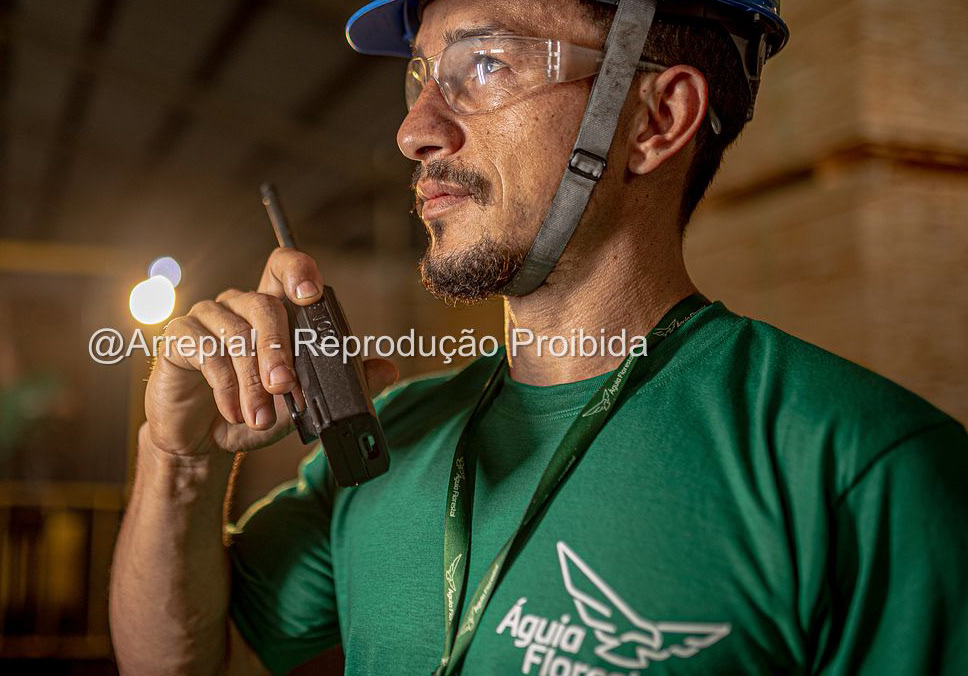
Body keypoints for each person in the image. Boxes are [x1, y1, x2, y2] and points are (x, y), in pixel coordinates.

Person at [109, 0, 968, 673]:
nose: (414, 131)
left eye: (487, 63)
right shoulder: (385, 443)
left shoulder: (863, 470)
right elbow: (183, 661)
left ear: (655, 118)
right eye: (420, 78)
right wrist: (180, 460)